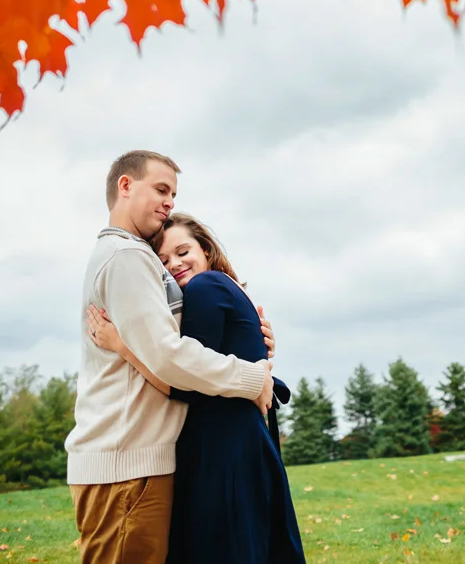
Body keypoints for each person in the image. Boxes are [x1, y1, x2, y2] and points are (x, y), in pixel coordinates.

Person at [66, 150, 276, 564]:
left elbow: (167, 345)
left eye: (174, 194)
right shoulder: (127, 256)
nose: (169, 202)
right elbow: (168, 356)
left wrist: (253, 337)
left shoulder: (134, 257)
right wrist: (252, 377)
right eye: (161, 189)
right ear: (125, 186)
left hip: (136, 460)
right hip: (125, 463)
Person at [88, 212, 306, 564]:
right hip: (239, 442)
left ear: (205, 249)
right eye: (163, 261)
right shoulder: (224, 287)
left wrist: (121, 345)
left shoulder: (206, 288)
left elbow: (184, 381)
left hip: (224, 450)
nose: (175, 264)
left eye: (183, 251)